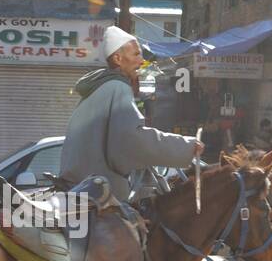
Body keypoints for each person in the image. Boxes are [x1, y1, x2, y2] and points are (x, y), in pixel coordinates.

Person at [60, 26, 202, 202]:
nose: (142, 61)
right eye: (136, 54)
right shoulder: (118, 87)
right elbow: (133, 140)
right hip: (98, 195)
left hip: (80, 187)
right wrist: (186, 147)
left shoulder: (98, 88)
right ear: (118, 59)